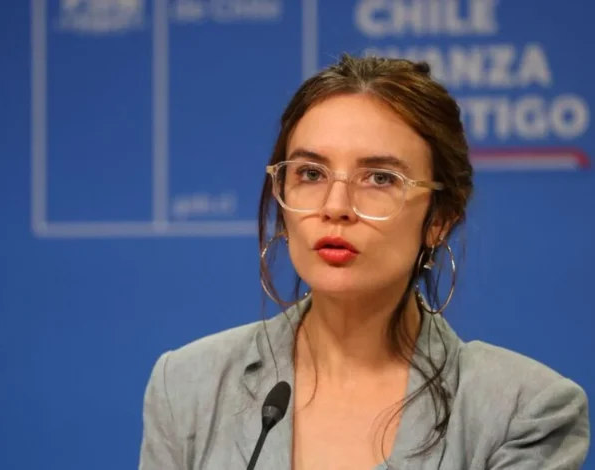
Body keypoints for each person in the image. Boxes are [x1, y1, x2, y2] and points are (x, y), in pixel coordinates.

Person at [137, 54, 590, 469]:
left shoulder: (524, 412)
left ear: (439, 220)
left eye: (379, 178)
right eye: (310, 173)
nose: (335, 206)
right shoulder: (188, 388)